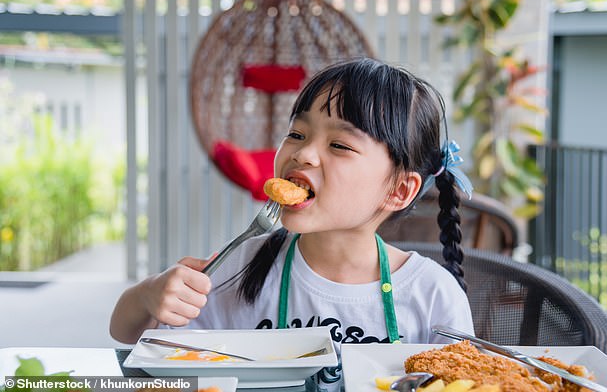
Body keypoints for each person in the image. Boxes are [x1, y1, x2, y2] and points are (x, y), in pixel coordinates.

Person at [110, 57, 474, 386]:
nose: (303, 153)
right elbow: (128, 334)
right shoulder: (242, 265)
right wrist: (149, 296)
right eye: (297, 134)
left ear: (398, 190)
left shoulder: (433, 295)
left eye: (339, 145)